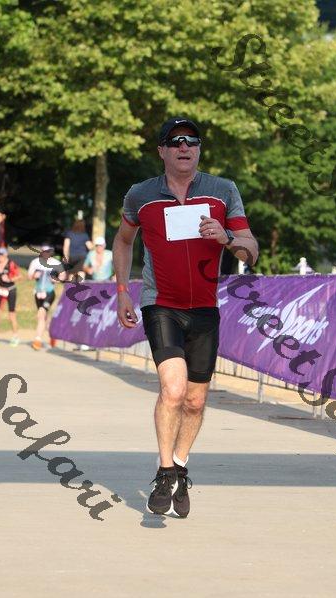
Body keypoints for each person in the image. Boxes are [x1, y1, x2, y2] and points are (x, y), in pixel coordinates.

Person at [113, 117, 259, 518]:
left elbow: (250, 249)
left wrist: (227, 238)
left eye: (191, 141)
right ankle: (164, 473)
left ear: (198, 150)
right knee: (173, 390)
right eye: (175, 141)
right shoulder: (141, 195)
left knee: (195, 401)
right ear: (161, 150)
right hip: (160, 304)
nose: (184, 147)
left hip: (205, 310)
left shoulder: (222, 191)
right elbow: (123, 241)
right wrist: (123, 290)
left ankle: (179, 466)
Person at [28, 244, 63, 350]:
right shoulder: (35, 262)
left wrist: (56, 279)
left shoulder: (56, 263)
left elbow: (63, 275)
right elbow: (29, 276)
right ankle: (52, 333)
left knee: (41, 314)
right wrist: (34, 276)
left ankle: (37, 340)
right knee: (43, 317)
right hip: (38, 293)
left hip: (49, 293)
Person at [0, 247, 21, 347]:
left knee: (11, 315)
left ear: (6, 255)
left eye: (2, 255)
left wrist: (10, 279)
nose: (0, 257)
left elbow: (19, 276)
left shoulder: (11, 264)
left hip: (10, 290)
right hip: (0, 290)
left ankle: (15, 337)